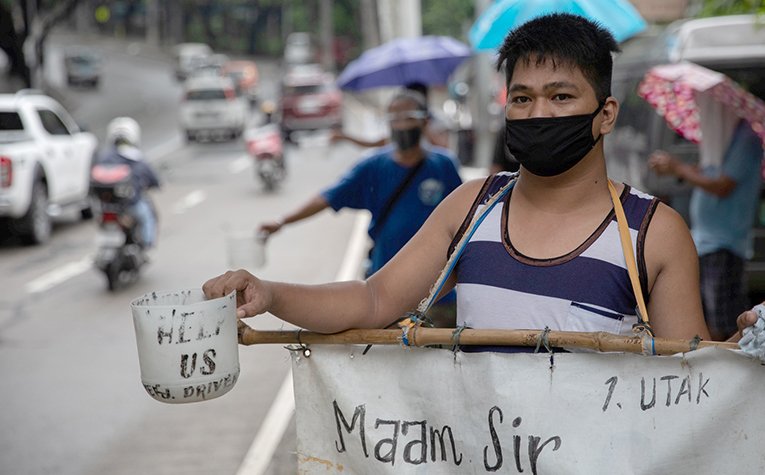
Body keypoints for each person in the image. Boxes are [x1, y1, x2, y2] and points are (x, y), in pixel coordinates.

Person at [205, 14, 759, 345]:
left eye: (561, 96)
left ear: (606, 114)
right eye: (522, 98)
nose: (538, 112)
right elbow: (374, 302)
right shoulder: (472, 207)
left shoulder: (654, 234)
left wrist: (743, 346)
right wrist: (271, 292)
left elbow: (688, 386)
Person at [258, 89, 463, 326]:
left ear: (424, 121)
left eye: (409, 117)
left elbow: (465, 216)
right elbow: (327, 197)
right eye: (394, 118)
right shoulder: (373, 167)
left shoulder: (443, 165)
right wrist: (282, 221)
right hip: (388, 293)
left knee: (443, 357)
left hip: (440, 294)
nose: (401, 124)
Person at [648, 119, 763, 340]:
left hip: (724, 243)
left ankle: (722, 370)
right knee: (702, 319)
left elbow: (722, 185)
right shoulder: (721, 137)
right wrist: (677, 169)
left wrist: (678, 167)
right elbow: (706, 173)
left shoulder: (745, 138)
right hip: (704, 242)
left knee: (724, 323)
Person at [95, 117, 161, 248]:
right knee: (148, 216)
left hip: (105, 206)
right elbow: (152, 177)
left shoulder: (104, 156)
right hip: (131, 205)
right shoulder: (136, 157)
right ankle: (147, 243)